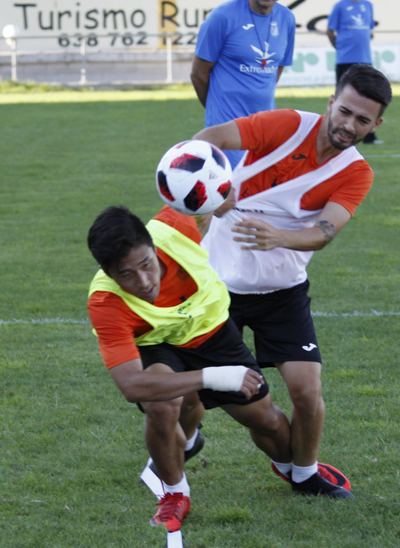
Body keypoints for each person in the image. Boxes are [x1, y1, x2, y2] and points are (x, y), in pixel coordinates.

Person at [195, 64, 392, 499]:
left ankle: (304, 473)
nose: (349, 125)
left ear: (376, 125)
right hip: (217, 287)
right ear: (331, 103)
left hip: (283, 292)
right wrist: (215, 187)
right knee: (194, 388)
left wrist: (279, 237)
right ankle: (176, 449)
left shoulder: (357, 173)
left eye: (362, 120)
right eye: (345, 111)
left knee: (307, 390)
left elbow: (325, 232)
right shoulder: (285, 125)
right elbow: (207, 140)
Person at [87, 205, 307, 532]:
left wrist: (224, 193)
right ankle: (174, 494)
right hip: (155, 343)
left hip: (212, 332)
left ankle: (296, 471)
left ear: (152, 244)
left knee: (266, 420)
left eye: (146, 264)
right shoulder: (106, 302)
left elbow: (206, 184)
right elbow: (132, 385)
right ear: (108, 273)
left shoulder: (175, 225)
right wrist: (215, 378)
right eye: (125, 274)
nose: (144, 281)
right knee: (162, 406)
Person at [190, 0, 297, 130]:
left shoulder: (287, 19)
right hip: (226, 127)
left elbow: (275, 71)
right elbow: (198, 75)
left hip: (265, 126)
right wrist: (216, 109)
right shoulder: (222, 16)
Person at [327, 0, 381, 145]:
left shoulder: (368, 5)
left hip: (365, 59)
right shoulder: (340, 6)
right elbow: (330, 30)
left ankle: (369, 137)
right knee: (342, 98)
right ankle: (332, 132)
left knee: (369, 99)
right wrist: (340, 47)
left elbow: (368, 30)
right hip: (345, 60)